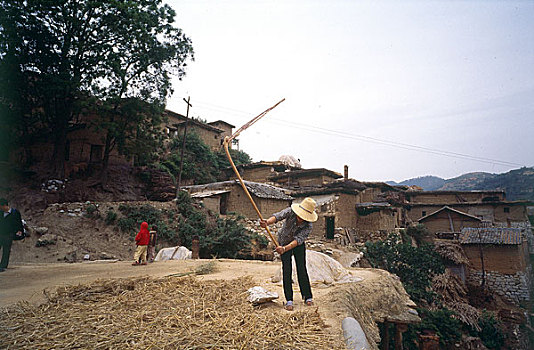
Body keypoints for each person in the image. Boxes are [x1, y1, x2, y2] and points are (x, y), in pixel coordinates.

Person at [260, 197, 317, 311]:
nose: (301, 218)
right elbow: (277, 216)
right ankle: (289, 300)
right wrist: (267, 222)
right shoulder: (290, 211)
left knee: (301, 269)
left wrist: (285, 249)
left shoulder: (308, 225)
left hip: (297, 245)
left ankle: (307, 297)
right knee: (287, 270)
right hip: (283, 241)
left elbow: (298, 240)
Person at [0, 198, 24, 272]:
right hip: (0, 233)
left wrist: (20, 231)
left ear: (4, 206)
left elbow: (19, 223)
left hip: (9, 234)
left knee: (6, 250)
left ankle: (3, 266)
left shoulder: (15, 212)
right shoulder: (0, 213)